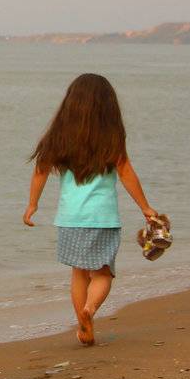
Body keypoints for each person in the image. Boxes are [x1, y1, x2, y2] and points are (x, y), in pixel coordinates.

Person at [22, 73, 159, 346]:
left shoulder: (60, 136)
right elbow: (126, 173)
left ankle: (84, 327)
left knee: (78, 273)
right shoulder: (112, 138)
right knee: (102, 273)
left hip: (70, 219)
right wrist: (145, 207)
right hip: (103, 219)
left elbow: (40, 171)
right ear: (109, 107)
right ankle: (90, 310)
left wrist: (32, 204)